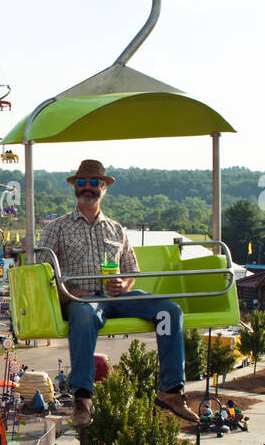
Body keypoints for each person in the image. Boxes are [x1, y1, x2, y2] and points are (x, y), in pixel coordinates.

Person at [38, 161, 198, 429]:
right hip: (81, 298)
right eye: (81, 183)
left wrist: (123, 285)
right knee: (86, 317)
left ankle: (171, 389)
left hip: (115, 297)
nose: (87, 189)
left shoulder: (116, 229)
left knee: (169, 311)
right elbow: (42, 271)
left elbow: (131, 269)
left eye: (93, 183)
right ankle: (82, 398)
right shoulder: (58, 228)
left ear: (103, 188)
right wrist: (68, 292)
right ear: (75, 187)